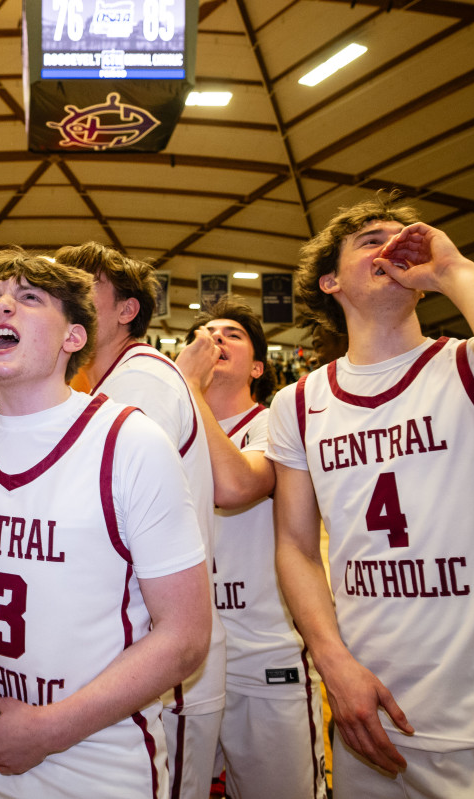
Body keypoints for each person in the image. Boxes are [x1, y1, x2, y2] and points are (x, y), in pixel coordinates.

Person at [267, 192, 474, 797]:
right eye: (372, 241)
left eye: (405, 237)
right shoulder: (299, 402)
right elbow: (293, 546)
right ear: (330, 281)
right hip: (369, 715)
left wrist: (452, 269)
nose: (393, 247)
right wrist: (332, 664)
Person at [0, 250, 211, 797]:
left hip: (97, 760)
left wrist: (51, 728)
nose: (1, 309)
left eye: (28, 299)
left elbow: (186, 637)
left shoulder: (129, 442)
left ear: (74, 337)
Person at [52, 241, 221, 796]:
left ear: (127, 310)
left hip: (161, 657)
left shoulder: (140, 378)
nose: (65, 289)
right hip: (144, 647)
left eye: (83, 279)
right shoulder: (109, 382)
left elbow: (96, 516)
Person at [177, 297, 326, 799]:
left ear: (258, 367)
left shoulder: (275, 423)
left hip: (264, 659)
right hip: (186, 658)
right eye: (206, 332)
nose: (215, 338)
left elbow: (237, 483)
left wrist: (190, 388)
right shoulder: (163, 432)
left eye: (231, 335)